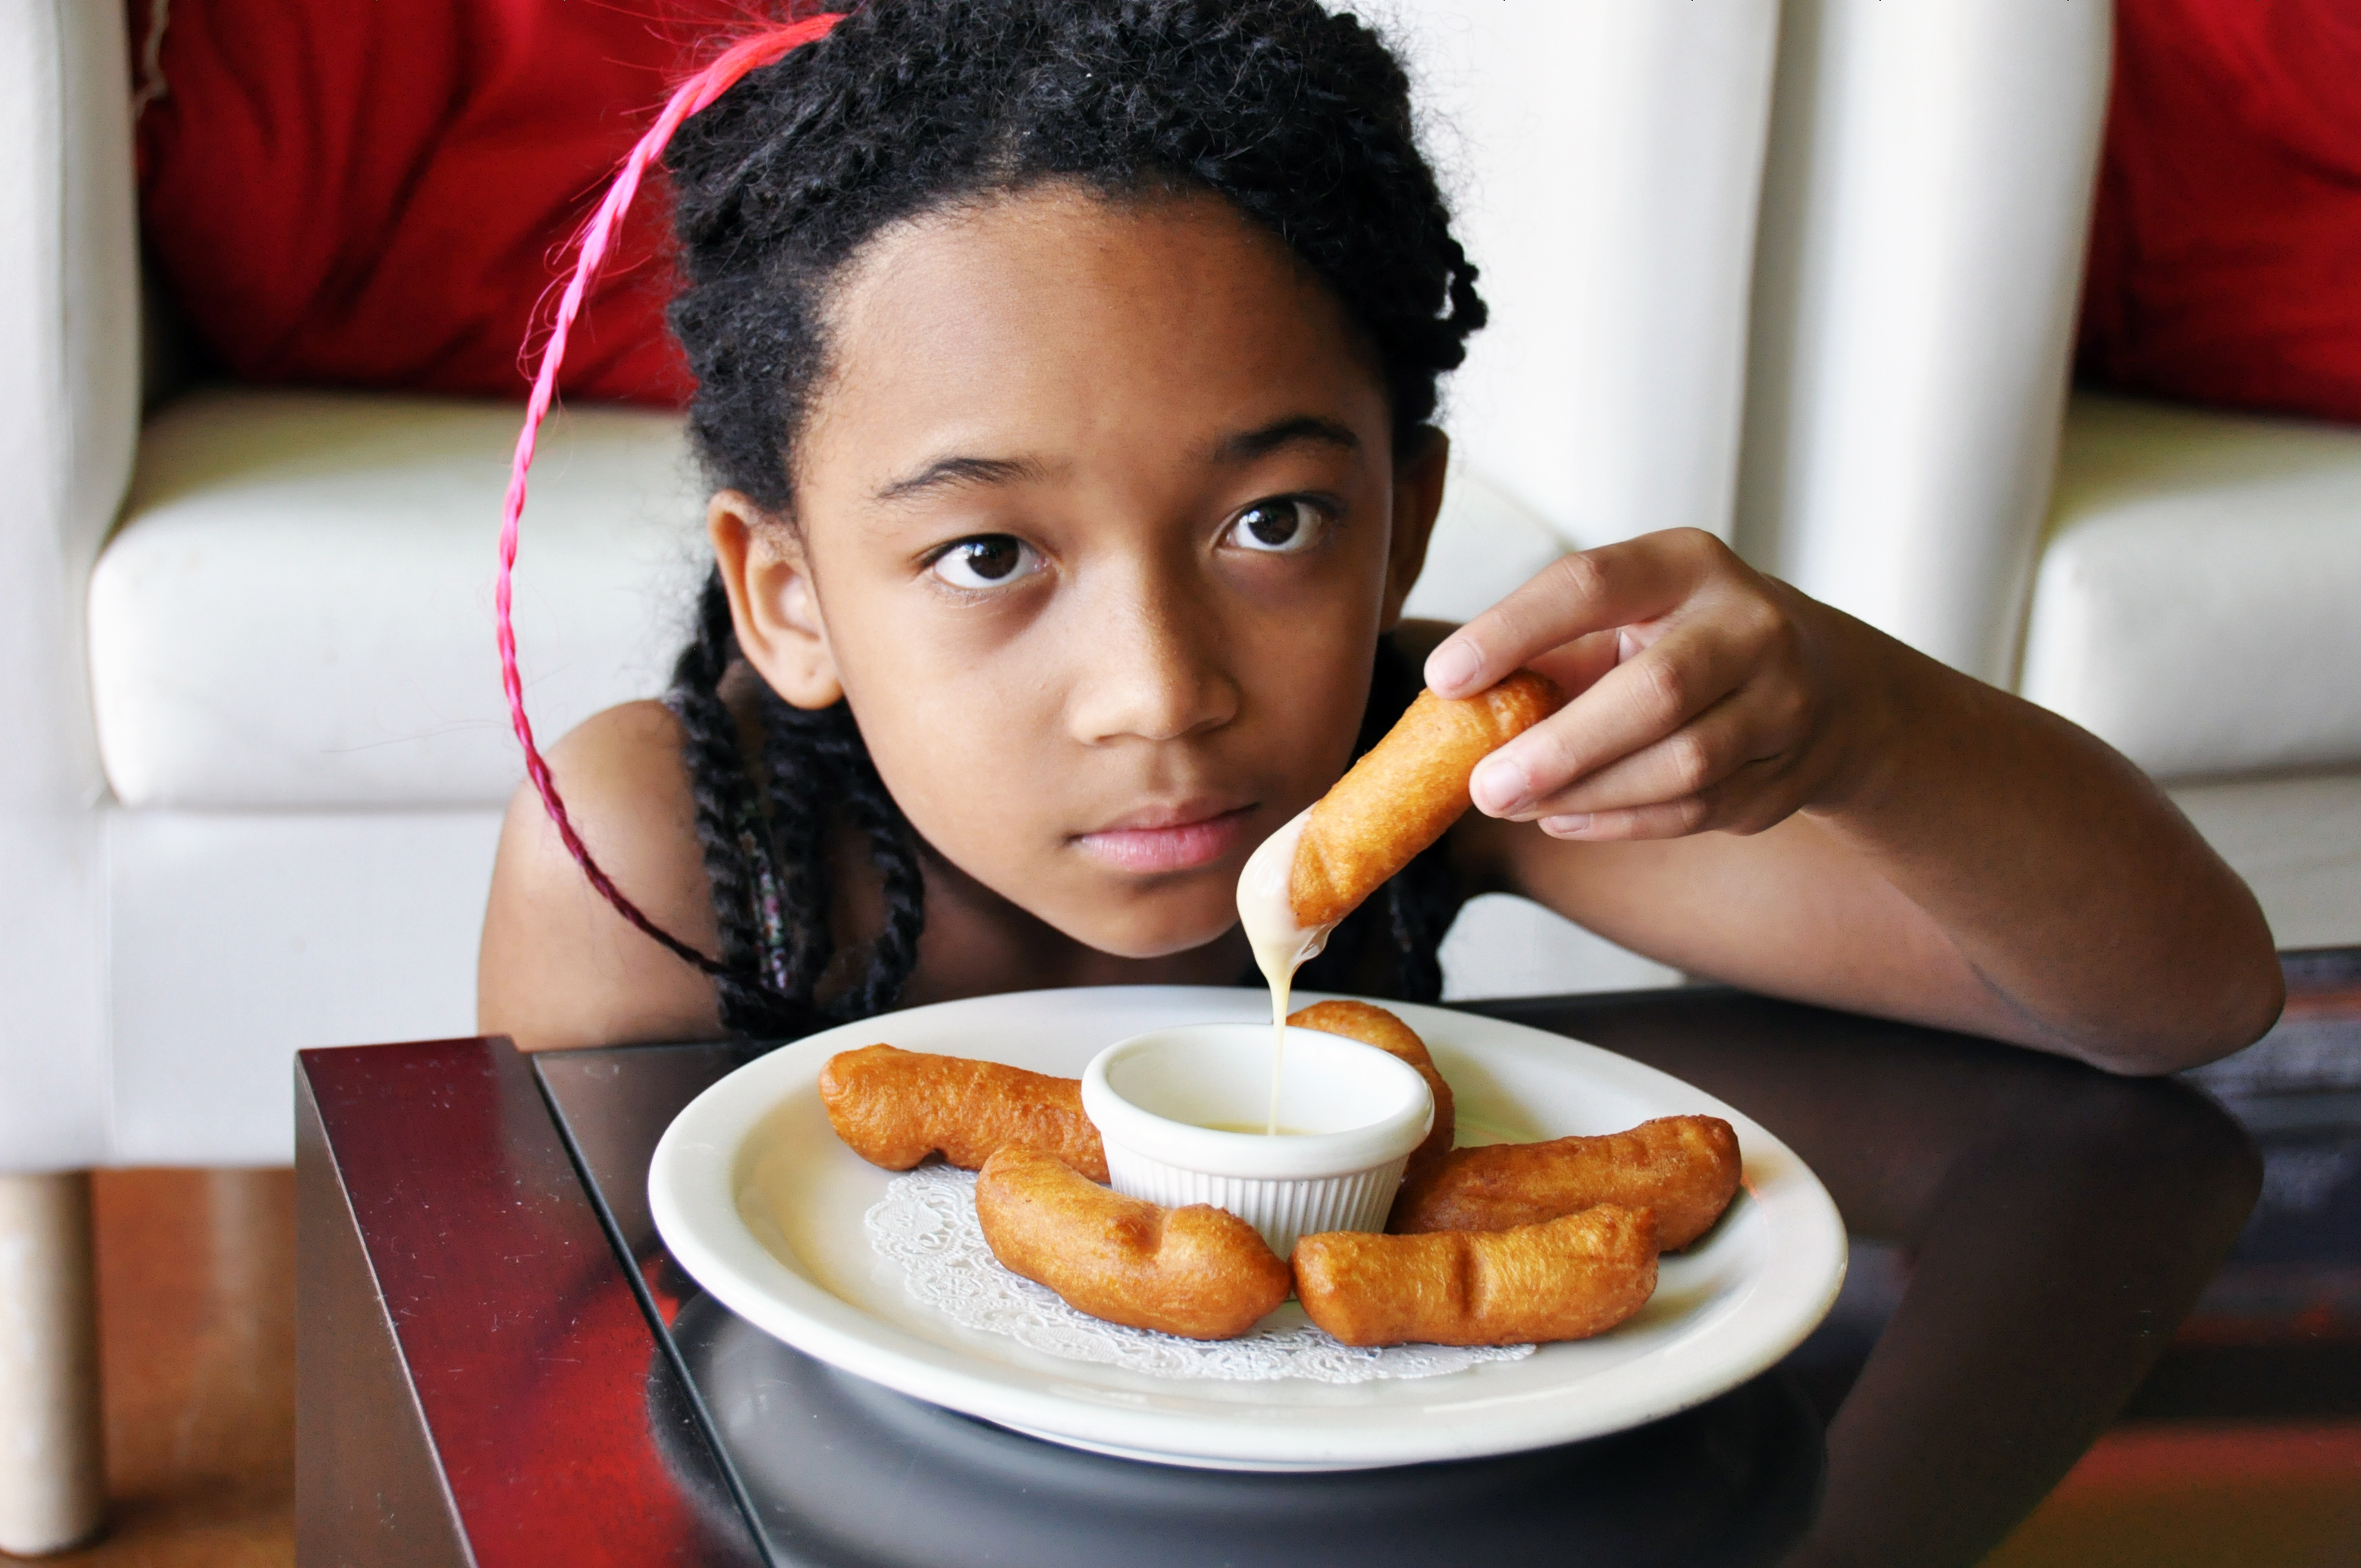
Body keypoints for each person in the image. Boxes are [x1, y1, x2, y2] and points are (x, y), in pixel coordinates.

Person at [478, 0, 2282, 1072]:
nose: (1162, 693)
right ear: (788, 597)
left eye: (1272, 521)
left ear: (1404, 520)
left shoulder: (1439, 769)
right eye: (989, 556)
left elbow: (2183, 999)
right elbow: (555, 1374)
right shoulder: (672, 857)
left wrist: (1865, 720)